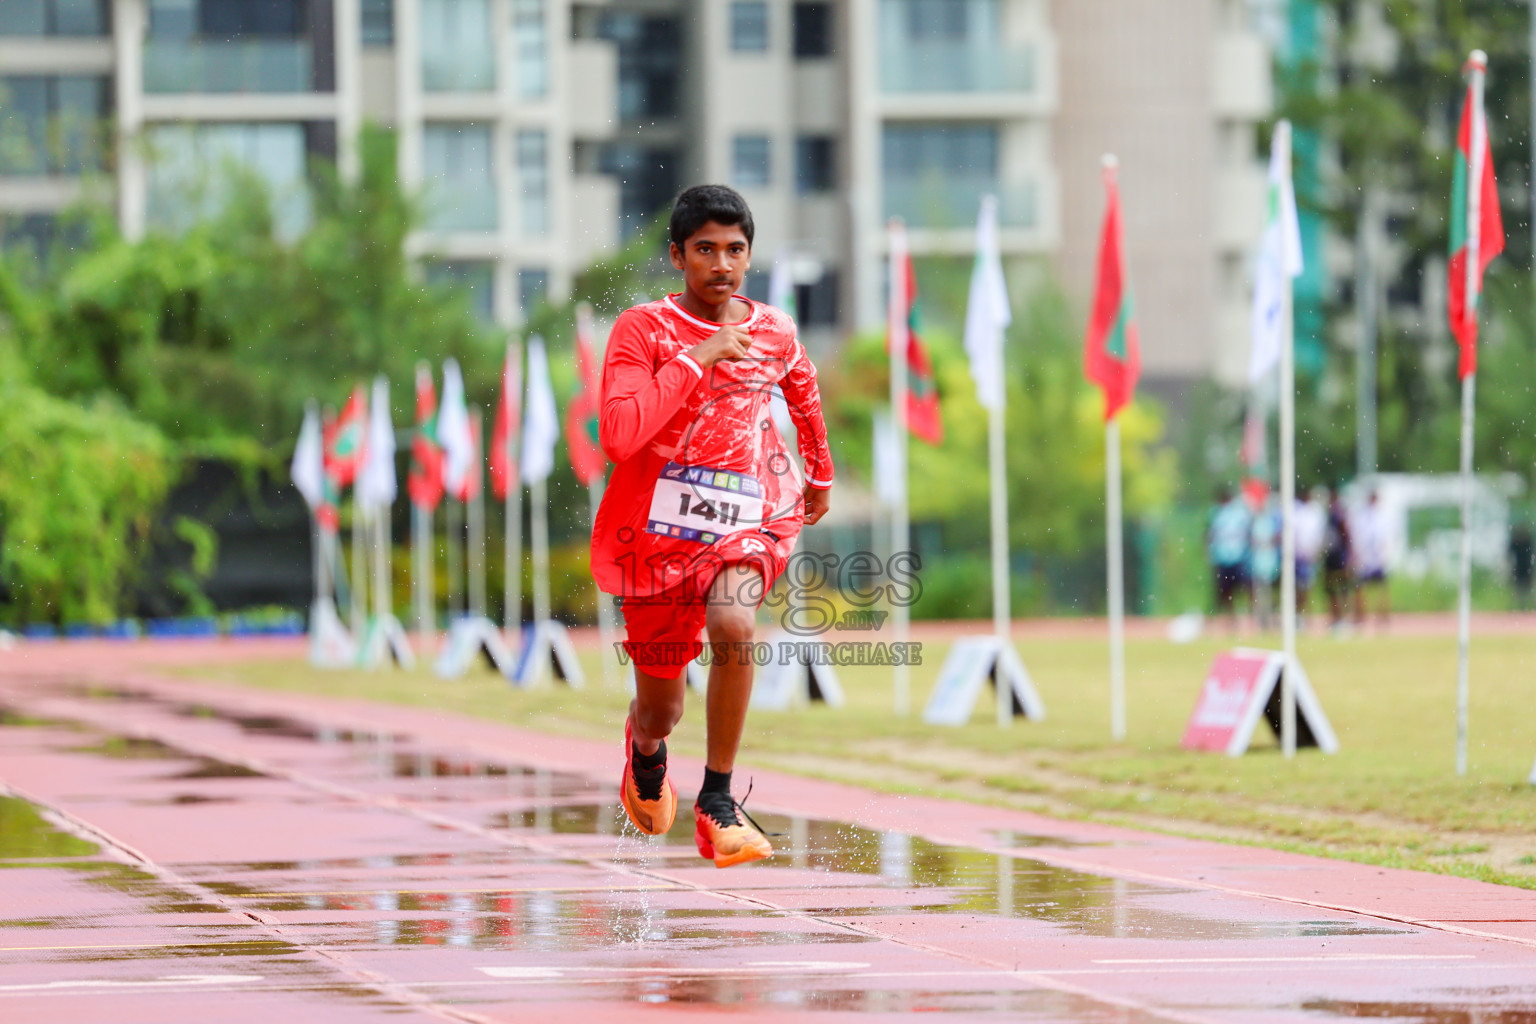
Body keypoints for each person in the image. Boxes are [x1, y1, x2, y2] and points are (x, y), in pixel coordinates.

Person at [590, 184, 834, 868]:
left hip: (743, 521)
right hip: (657, 538)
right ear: (677, 256)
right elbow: (620, 434)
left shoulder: (775, 330)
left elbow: (806, 395)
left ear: (749, 256)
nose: (720, 264)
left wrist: (820, 475)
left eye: (734, 249)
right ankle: (645, 750)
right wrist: (700, 357)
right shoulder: (643, 330)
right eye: (704, 250)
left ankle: (719, 799)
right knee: (661, 708)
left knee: (733, 625)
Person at [1207, 486, 1252, 629]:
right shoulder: (1216, 513)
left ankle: (1251, 616)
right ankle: (1231, 619)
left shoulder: (1239, 513)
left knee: (1246, 588)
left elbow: (1247, 533)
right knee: (1225, 592)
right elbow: (1210, 534)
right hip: (1223, 558)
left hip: (1238, 557)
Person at [1351, 490, 1390, 628]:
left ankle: (1382, 619)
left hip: (1378, 558)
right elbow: (1357, 536)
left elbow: (1387, 537)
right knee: (1360, 588)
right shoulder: (1362, 516)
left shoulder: (1382, 516)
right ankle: (1361, 617)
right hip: (1365, 559)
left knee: (1382, 589)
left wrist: (1384, 554)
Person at [1294, 485, 1327, 624]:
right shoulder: (1295, 510)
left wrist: (1317, 550)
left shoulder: (1315, 512)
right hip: (1296, 556)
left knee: (1307, 587)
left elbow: (1319, 534)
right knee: (1297, 587)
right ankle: (1299, 615)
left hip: (1310, 556)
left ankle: (1306, 616)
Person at [1322, 489, 1353, 631]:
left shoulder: (1337, 515)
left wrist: (1349, 556)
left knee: (1342, 589)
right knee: (1333, 590)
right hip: (1332, 557)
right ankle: (1336, 618)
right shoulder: (1328, 515)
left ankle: (1343, 618)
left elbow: (1346, 534)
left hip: (1339, 558)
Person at [1249, 494, 1281, 631]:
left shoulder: (1270, 520)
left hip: (1269, 562)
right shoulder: (1255, 521)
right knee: (1259, 593)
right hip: (1258, 562)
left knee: (1270, 592)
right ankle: (1261, 620)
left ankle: (1270, 619)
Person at [1510, 523, 1535, 611]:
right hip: (1520, 566)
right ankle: (1522, 605)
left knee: (1527, 585)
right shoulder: (1518, 543)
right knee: (1520, 586)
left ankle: (1528, 605)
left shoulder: (1527, 542)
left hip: (1525, 566)